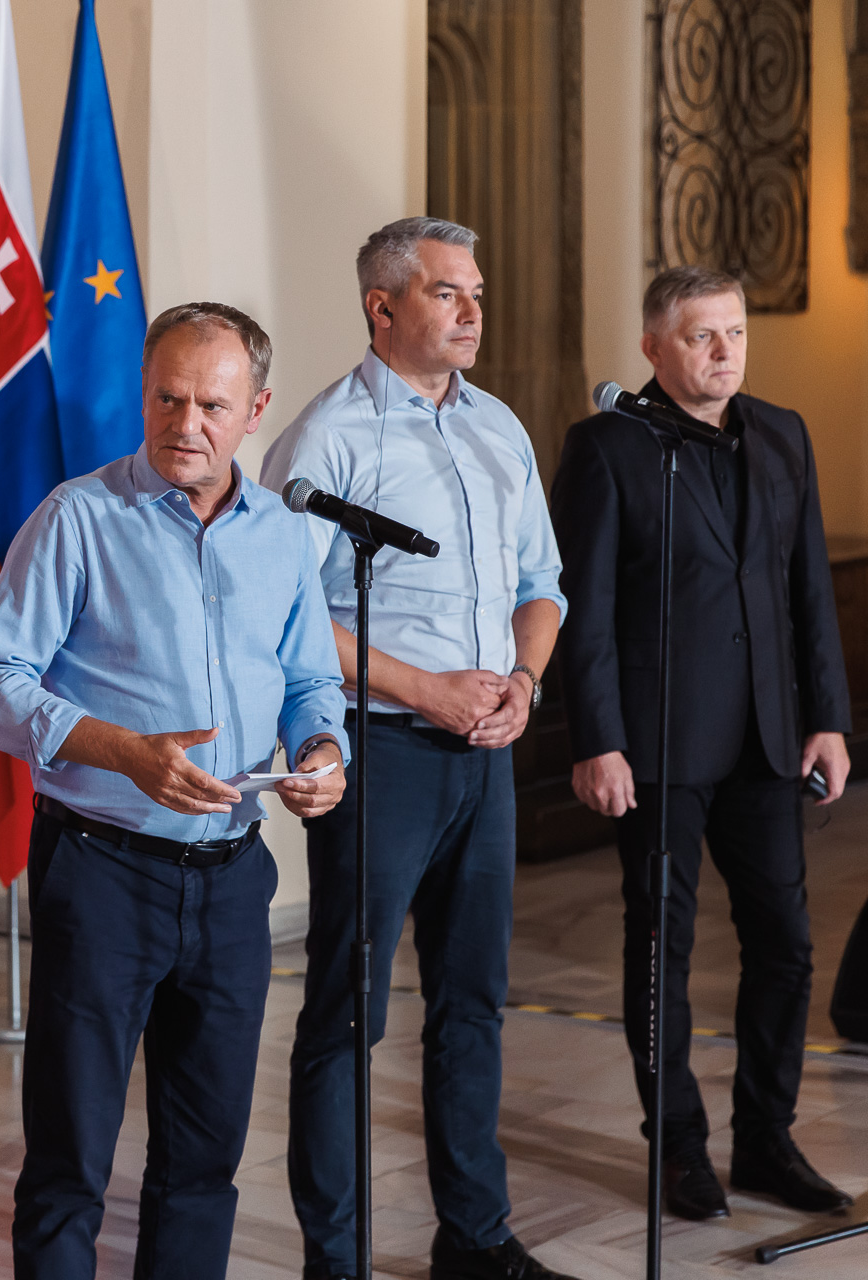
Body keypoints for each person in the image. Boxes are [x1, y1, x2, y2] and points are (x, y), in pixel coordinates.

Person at [0, 302, 350, 1279]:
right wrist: (121, 750)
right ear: (143, 395)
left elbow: (310, 677)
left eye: (212, 406)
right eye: (167, 399)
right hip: (102, 870)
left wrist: (322, 748)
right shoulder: (77, 518)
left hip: (233, 879)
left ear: (256, 408)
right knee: (70, 1158)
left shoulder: (282, 535)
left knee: (204, 1163)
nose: (186, 424)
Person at [260, 217, 575, 1280]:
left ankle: (474, 1239)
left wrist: (524, 681)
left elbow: (543, 582)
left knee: (471, 1001)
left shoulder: (498, 427)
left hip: (487, 754)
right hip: (383, 753)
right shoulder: (329, 437)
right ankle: (336, 1257)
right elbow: (288, 613)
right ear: (383, 306)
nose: (473, 311)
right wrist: (424, 688)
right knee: (347, 1011)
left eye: (476, 291)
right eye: (448, 292)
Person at [552, 265, 854, 1220]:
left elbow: (808, 589)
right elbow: (583, 609)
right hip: (658, 744)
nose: (725, 352)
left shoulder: (784, 434)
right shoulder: (609, 447)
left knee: (786, 945)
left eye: (736, 332)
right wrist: (598, 739)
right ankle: (678, 1147)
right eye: (701, 336)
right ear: (653, 346)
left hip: (768, 737)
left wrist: (829, 716)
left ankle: (766, 1139)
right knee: (661, 951)